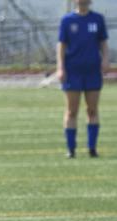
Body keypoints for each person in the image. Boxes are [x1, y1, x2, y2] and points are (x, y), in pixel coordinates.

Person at [58, 0, 109, 158]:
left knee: (92, 110)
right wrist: (61, 67)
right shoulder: (67, 20)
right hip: (73, 71)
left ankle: (92, 149)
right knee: (72, 111)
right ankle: (71, 150)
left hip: (92, 71)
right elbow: (61, 45)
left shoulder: (98, 19)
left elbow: (103, 42)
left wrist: (105, 59)